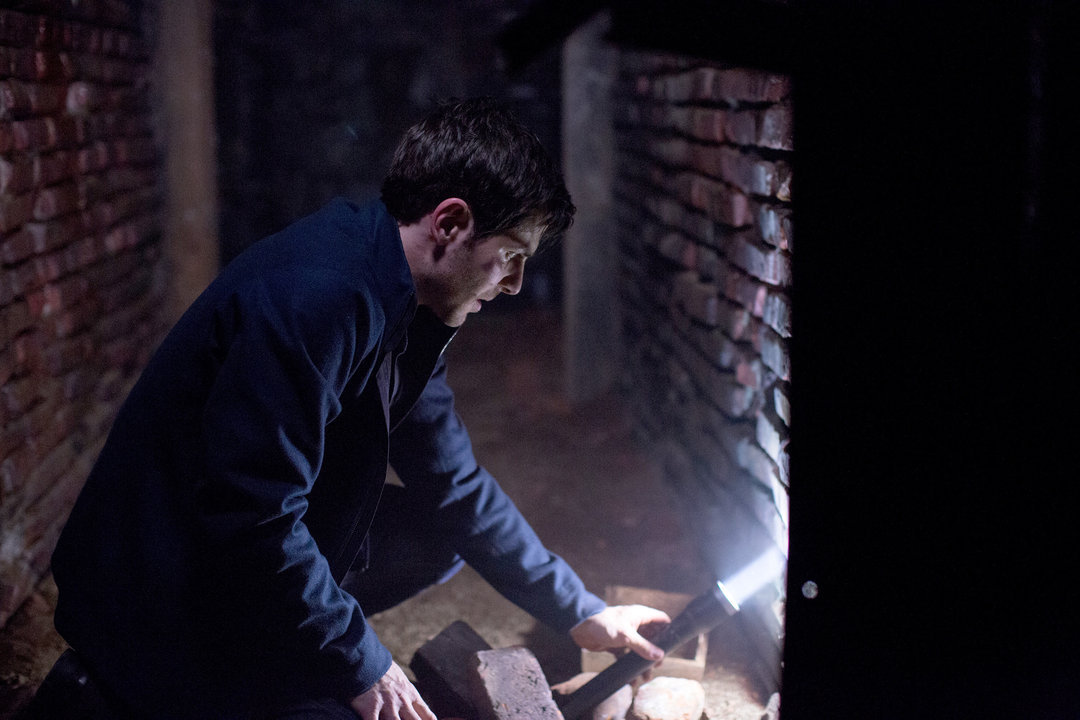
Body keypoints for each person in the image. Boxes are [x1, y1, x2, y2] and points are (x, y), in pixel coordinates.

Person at [34, 98, 670, 719]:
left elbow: (452, 481)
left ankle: (270, 661)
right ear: (450, 224)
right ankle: (121, 691)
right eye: (511, 257)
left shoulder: (405, 299)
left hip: (222, 556)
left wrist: (578, 609)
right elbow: (251, 512)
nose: (514, 284)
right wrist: (360, 660)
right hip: (155, 591)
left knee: (442, 529)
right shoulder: (320, 299)